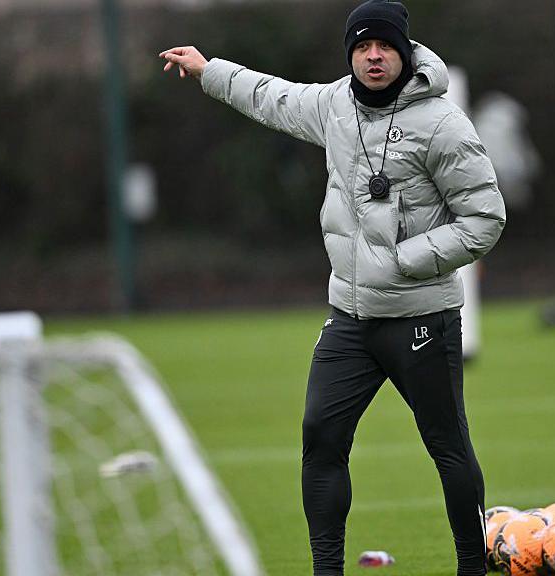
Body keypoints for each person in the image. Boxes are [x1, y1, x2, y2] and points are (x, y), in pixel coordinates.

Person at [160, 1, 506, 574]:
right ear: (351, 53)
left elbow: (485, 218)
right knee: (320, 437)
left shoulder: (444, 123)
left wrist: (406, 259)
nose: (374, 56)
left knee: (448, 449)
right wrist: (208, 69)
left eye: (386, 46)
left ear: (405, 52)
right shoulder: (333, 106)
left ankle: (472, 566)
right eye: (363, 46)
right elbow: (270, 95)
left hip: (422, 318)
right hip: (349, 318)